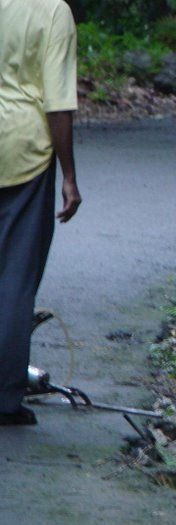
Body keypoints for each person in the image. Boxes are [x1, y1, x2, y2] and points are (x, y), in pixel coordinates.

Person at [0, 0, 83, 425]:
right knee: (15, 277)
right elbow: (57, 102)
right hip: (23, 150)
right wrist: (69, 174)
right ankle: (5, 399)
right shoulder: (52, 11)